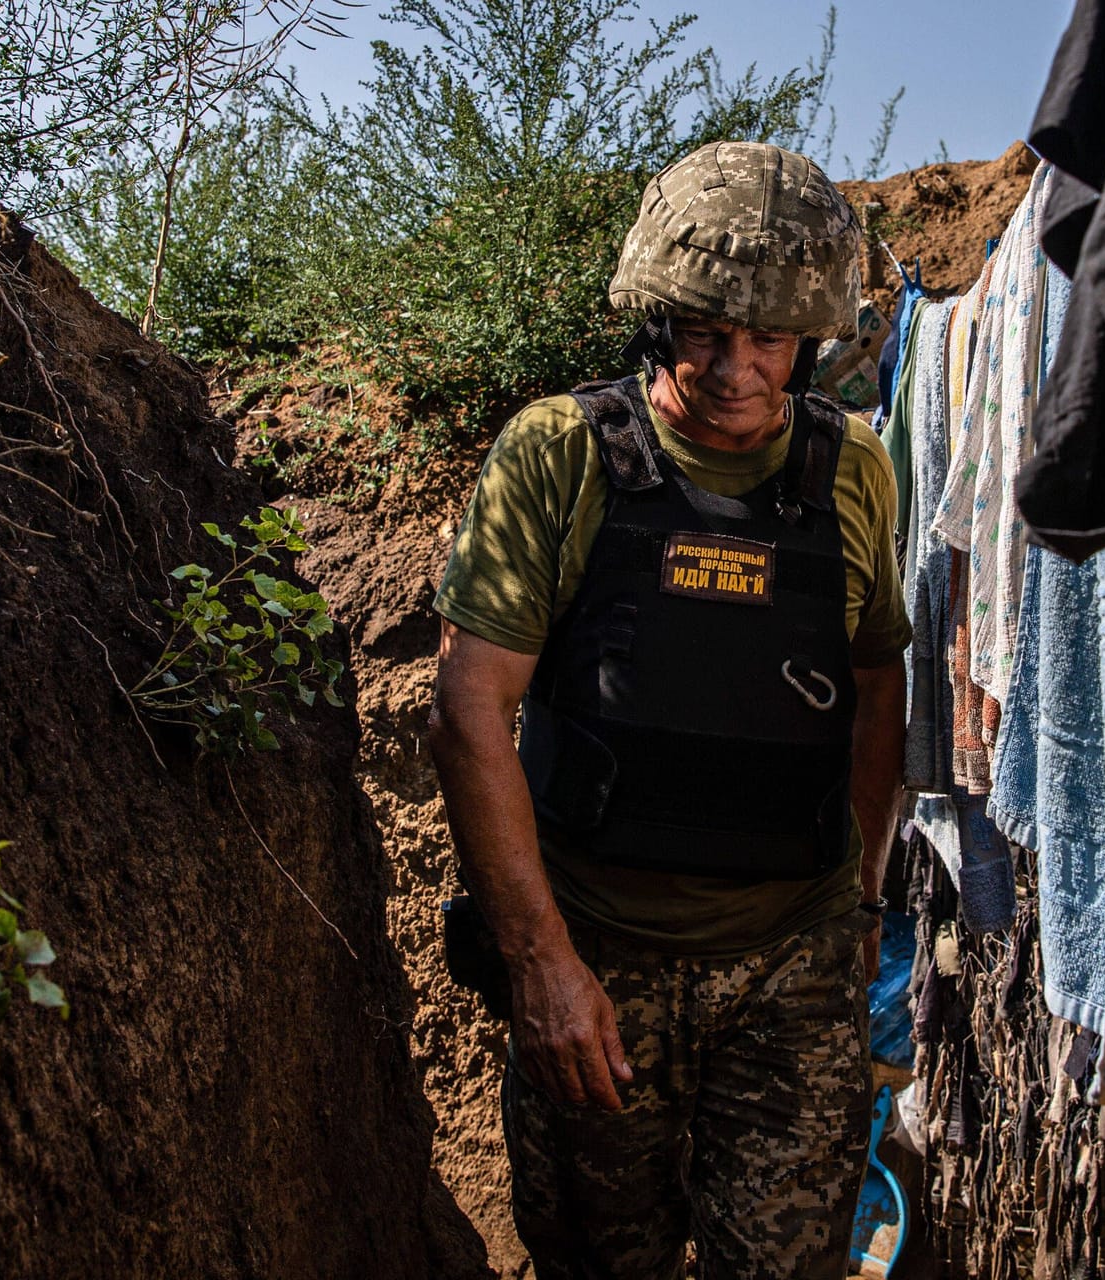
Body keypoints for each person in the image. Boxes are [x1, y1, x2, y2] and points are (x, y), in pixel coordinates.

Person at [427, 140, 910, 1279]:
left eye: (772, 339)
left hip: (791, 967)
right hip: (598, 961)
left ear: (813, 339)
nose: (738, 368)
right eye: (707, 332)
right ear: (658, 317)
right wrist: (539, 962)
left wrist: (866, 901)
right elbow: (467, 708)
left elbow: (879, 681)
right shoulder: (561, 455)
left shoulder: (856, 471)